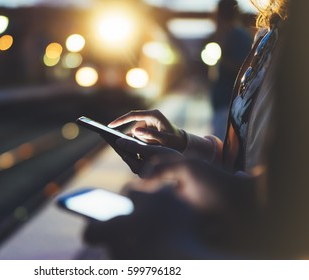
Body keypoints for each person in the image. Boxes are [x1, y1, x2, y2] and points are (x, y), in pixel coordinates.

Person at [84, 0, 291, 259]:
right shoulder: (270, 35)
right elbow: (244, 158)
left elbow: (289, 209)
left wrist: (203, 185)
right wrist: (184, 145)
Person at [209, 0, 253, 140]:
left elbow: (243, 67)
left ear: (220, 14)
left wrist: (221, 60)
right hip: (226, 106)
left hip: (228, 106)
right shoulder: (233, 35)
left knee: (221, 150)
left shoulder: (237, 36)